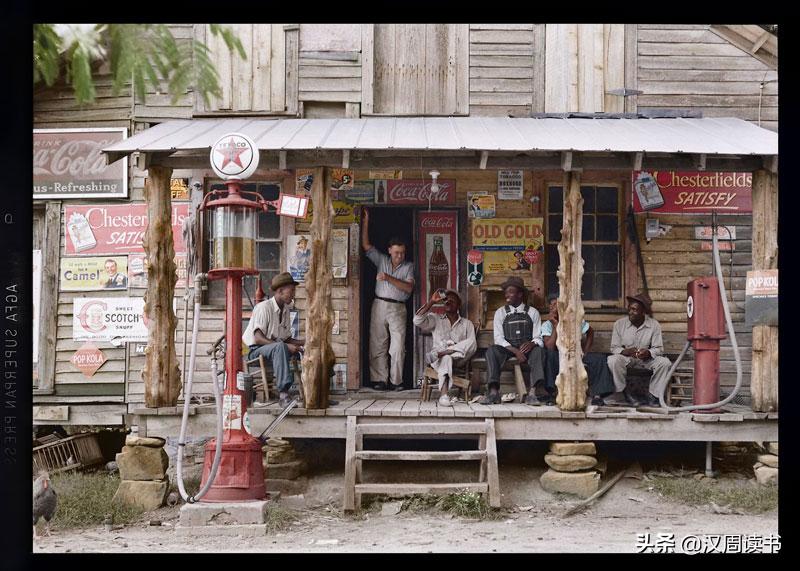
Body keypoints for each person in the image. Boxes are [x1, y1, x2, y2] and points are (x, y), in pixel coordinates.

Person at [361, 207, 415, 391]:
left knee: (398, 346)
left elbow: (408, 287)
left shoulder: (409, 266)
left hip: (398, 307)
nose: (399, 256)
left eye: (402, 252)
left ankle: (396, 381)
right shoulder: (382, 260)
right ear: (389, 250)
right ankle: (380, 380)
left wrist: (387, 278)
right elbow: (366, 246)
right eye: (396, 252)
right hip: (379, 304)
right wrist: (366, 220)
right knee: (378, 343)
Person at [242, 272, 305, 408]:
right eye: (291, 290)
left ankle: (318, 392)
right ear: (280, 291)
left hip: (275, 350)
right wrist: (286, 346)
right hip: (255, 351)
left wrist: (306, 342)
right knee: (280, 347)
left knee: (313, 347)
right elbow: (258, 338)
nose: (294, 294)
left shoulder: (286, 310)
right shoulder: (264, 307)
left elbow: (286, 338)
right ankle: (283, 395)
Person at [541, 294, 615, 406]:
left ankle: (597, 395)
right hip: (559, 356)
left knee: (599, 359)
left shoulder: (574, 320)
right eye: (551, 305)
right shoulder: (547, 325)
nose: (552, 308)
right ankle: (552, 395)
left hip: (576, 355)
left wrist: (585, 351)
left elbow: (590, 332)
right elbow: (550, 346)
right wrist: (556, 325)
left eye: (556, 304)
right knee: (549, 356)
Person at [481, 276, 546, 405]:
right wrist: (515, 351)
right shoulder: (500, 313)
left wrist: (532, 343)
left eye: (510, 291)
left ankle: (532, 393)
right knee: (491, 351)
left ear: (520, 294)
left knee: (539, 351)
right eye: (505, 292)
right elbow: (498, 338)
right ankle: (494, 393)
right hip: (508, 349)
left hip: (526, 349)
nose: (506, 294)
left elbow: (538, 337)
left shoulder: (533, 312)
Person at [605, 293, 672, 407]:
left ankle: (653, 396)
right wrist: (624, 351)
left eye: (634, 310)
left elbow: (659, 349)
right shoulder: (619, 324)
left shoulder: (654, 325)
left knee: (665, 363)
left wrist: (649, 352)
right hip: (627, 359)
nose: (630, 312)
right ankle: (623, 393)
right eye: (629, 308)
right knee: (613, 360)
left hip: (646, 360)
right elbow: (614, 348)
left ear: (643, 312)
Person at [413, 289, 477, 406]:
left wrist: (449, 350)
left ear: (459, 305)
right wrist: (431, 302)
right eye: (446, 300)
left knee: (472, 342)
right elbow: (417, 320)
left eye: (452, 300)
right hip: (439, 360)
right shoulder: (436, 319)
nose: (448, 302)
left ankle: (445, 351)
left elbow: (472, 346)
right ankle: (444, 395)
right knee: (446, 358)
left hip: (459, 360)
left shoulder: (467, 324)